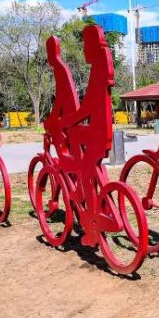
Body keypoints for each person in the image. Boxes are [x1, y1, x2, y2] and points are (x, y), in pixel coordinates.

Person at [53, 25, 116, 244]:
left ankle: (92, 230)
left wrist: (65, 121)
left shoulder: (98, 65)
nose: (84, 51)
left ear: (92, 45)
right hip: (99, 128)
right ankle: (87, 197)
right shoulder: (102, 62)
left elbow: (87, 106)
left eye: (85, 46)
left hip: (97, 130)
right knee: (87, 165)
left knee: (86, 172)